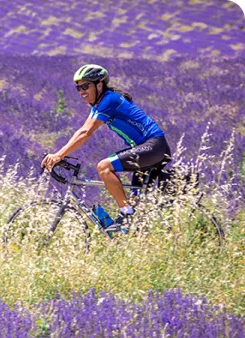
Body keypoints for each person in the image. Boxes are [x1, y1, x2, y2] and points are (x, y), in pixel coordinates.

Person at [42, 64, 171, 232]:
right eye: (78, 88)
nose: (81, 91)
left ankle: (125, 217)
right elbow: (83, 130)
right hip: (149, 149)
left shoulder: (109, 100)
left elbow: (85, 132)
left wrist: (59, 155)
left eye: (85, 86)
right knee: (133, 203)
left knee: (104, 167)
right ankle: (132, 231)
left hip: (153, 147)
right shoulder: (100, 104)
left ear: (99, 84)